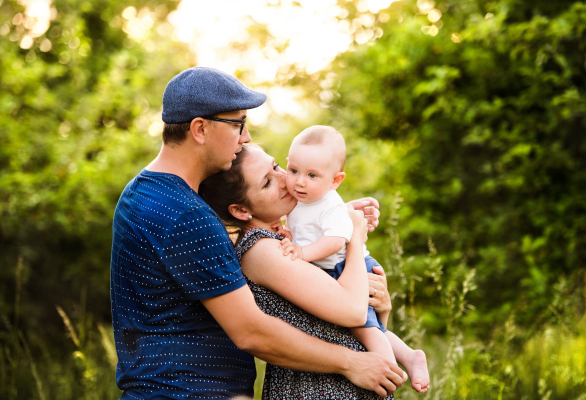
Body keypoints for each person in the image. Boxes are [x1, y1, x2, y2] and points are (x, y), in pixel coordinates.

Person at [110, 67, 405, 400]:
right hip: (188, 392)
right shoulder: (187, 214)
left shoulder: (142, 193)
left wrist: (330, 220)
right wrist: (352, 363)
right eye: (238, 123)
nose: (245, 136)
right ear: (200, 129)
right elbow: (250, 331)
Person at [199, 143, 408, 399]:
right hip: (316, 389)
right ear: (242, 210)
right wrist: (353, 237)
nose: (285, 178)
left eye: (276, 166)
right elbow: (354, 312)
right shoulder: (263, 248)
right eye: (267, 182)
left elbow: (339, 325)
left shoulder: (286, 240)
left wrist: (337, 218)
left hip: (344, 383)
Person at [280, 126, 430, 393]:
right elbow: (301, 228)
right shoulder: (300, 198)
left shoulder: (330, 205)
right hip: (333, 267)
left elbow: (335, 241)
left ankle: (389, 369)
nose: (299, 181)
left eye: (312, 175)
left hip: (347, 266)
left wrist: (302, 254)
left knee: (364, 327)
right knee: (365, 325)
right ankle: (408, 355)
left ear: (335, 181)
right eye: (293, 171)